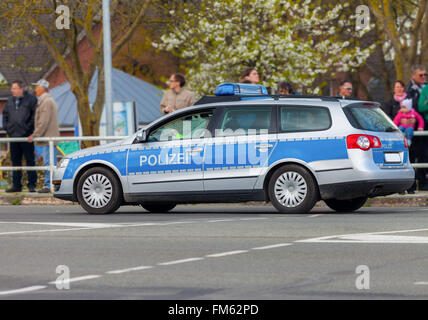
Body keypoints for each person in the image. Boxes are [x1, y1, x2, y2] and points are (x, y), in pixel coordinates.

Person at [2, 80, 38, 193]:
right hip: (14, 136)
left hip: (27, 137)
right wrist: (7, 129)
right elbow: (5, 115)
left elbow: (34, 117)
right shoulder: (10, 100)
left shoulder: (31, 100)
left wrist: (27, 129)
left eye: (14, 88)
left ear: (21, 89)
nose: (12, 90)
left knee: (30, 161)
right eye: (12, 88)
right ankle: (16, 185)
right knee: (15, 161)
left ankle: (31, 185)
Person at [28, 79, 60, 193]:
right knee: (50, 162)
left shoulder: (46, 102)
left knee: (49, 163)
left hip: (48, 138)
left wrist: (35, 134)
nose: (35, 89)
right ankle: (52, 185)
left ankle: (49, 186)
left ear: (42, 88)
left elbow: (44, 121)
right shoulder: (47, 100)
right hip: (48, 137)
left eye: (37, 87)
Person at [405, 65, 428, 192]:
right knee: (413, 155)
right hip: (413, 128)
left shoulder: (426, 87)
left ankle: (424, 182)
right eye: (421, 75)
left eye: (425, 75)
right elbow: (415, 107)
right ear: (413, 76)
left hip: (424, 125)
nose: (424, 77)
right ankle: (411, 185)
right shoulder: (409, 90)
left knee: (425, 155)